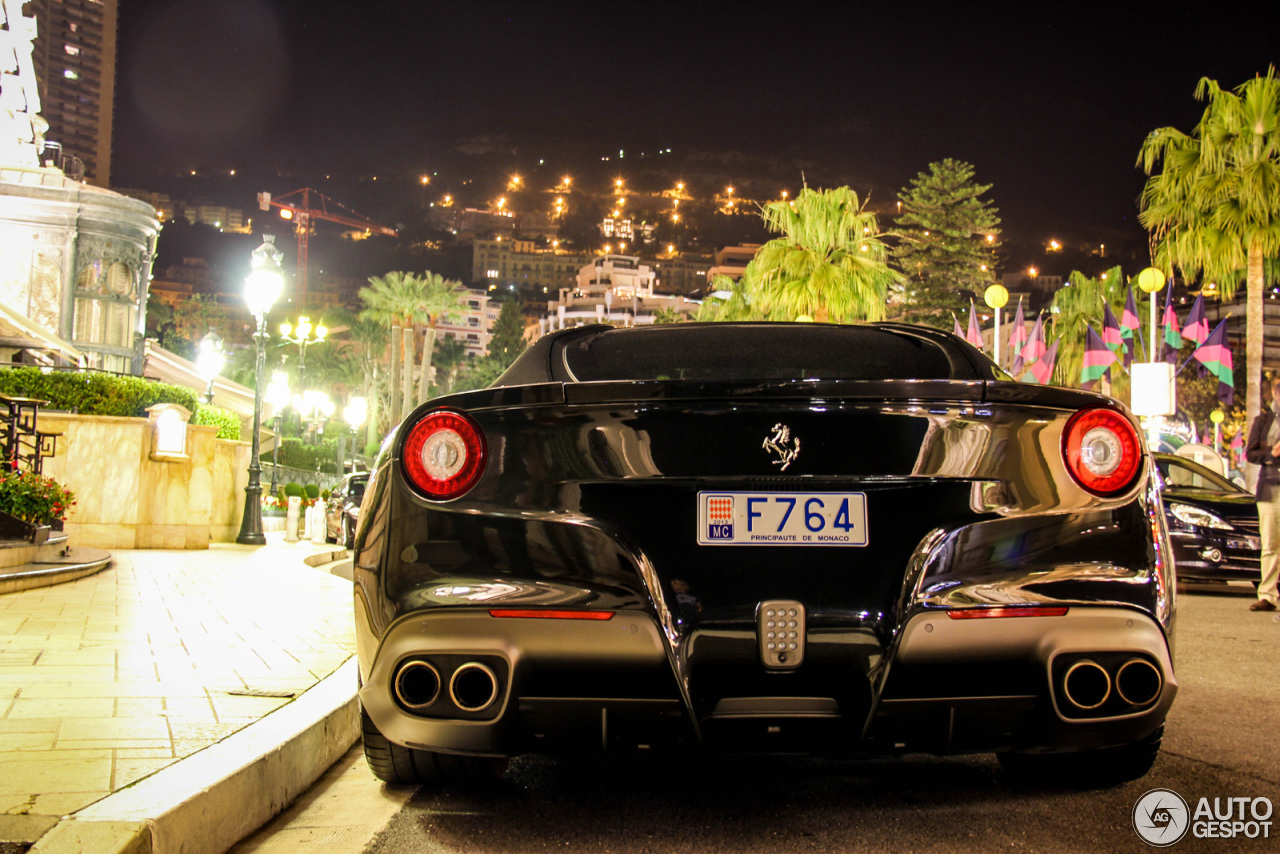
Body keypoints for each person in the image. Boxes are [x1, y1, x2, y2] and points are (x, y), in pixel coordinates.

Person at [1243, 377, 1280, 611]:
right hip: (1270, 489)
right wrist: (1272, 452)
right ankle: (1267, 595)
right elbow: (1251, 453)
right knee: (1270, 544)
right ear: (1276, 394)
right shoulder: (1263, 421)